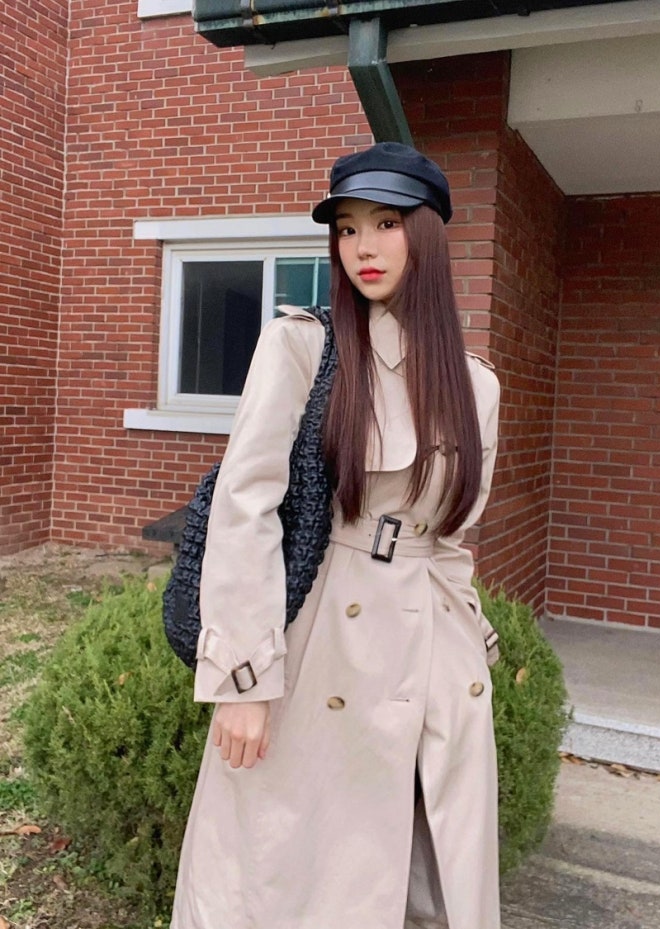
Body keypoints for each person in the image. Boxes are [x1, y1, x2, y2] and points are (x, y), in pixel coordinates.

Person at [171, 141, 502, 929]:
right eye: (347, 228)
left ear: (427, 235)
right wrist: (244, 681)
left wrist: (471, 649)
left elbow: (449, 537)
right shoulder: (302, 346)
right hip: (321, 638)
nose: (362, 247)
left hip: (432, 651)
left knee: (425, 872)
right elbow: (245, 508)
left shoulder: (476, 385)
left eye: (385, 223)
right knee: (282, 875)